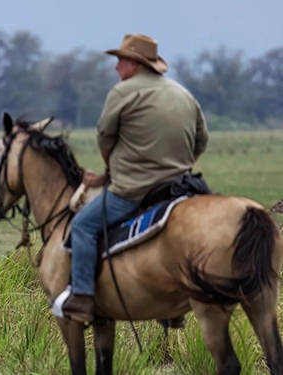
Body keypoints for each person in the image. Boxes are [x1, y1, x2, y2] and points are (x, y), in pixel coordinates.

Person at [55, 34, 210, 323]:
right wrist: (177, 167)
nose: (116, 68)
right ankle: (173, 311)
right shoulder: (183, 94)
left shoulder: (122, 93)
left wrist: (110, 171)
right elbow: (201, 143)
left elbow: (104, 139)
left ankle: (83, 298)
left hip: (133, 191)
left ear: (135, 64)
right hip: (178, 189)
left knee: (82, 227)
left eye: (120, 61)